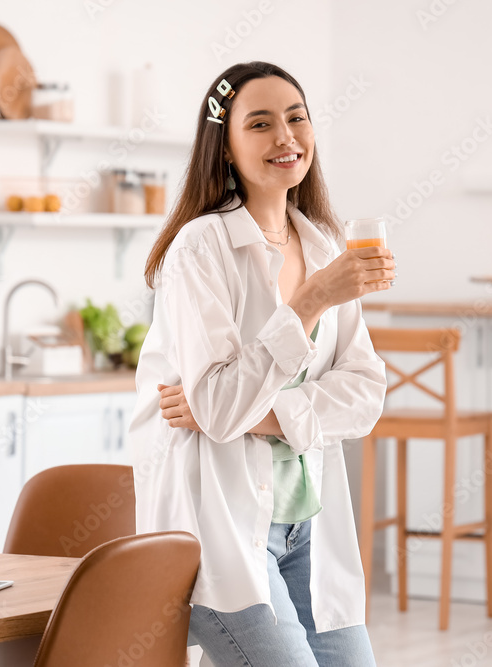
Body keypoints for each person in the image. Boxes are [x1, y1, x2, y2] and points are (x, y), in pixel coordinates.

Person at [129, 61, 396, 666]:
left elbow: (365, 394)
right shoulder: (201, 247)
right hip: (221, 534)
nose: (286, 136)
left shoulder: (326, 247)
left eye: (296, 117)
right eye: (260, 123)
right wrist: (308, 303)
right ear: (223, 148)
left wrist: (261, 415)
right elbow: (218, 407)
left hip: (309, 528)